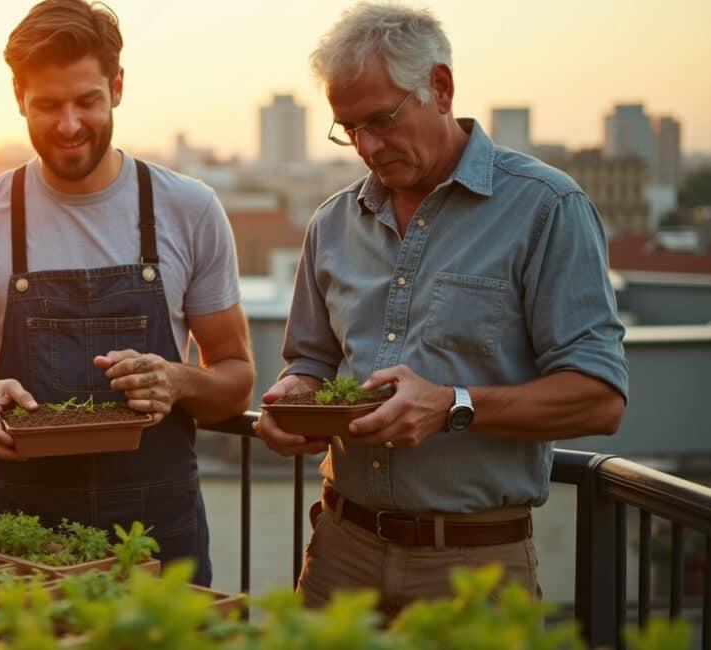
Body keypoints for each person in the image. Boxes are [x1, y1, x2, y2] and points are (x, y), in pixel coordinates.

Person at [254, 2, 628, 618]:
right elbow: (311, 362)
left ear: (441, 87)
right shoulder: (331, 223)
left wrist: (453, 405)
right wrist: (293, 397)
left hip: (473, 568)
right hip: (337, 553)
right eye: (349, 128)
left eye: (381, 119)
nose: (366, 146)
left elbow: (600, 397)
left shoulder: (547, 208)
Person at [0, 0, 254, 587]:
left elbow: (237, 377)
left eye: (87, 101)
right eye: (47, 105)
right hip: (18, 531)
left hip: (156, 534)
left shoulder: (189, 209)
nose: (69, 125)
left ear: (117, 87)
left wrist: (179, 380)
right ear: (18, 96)